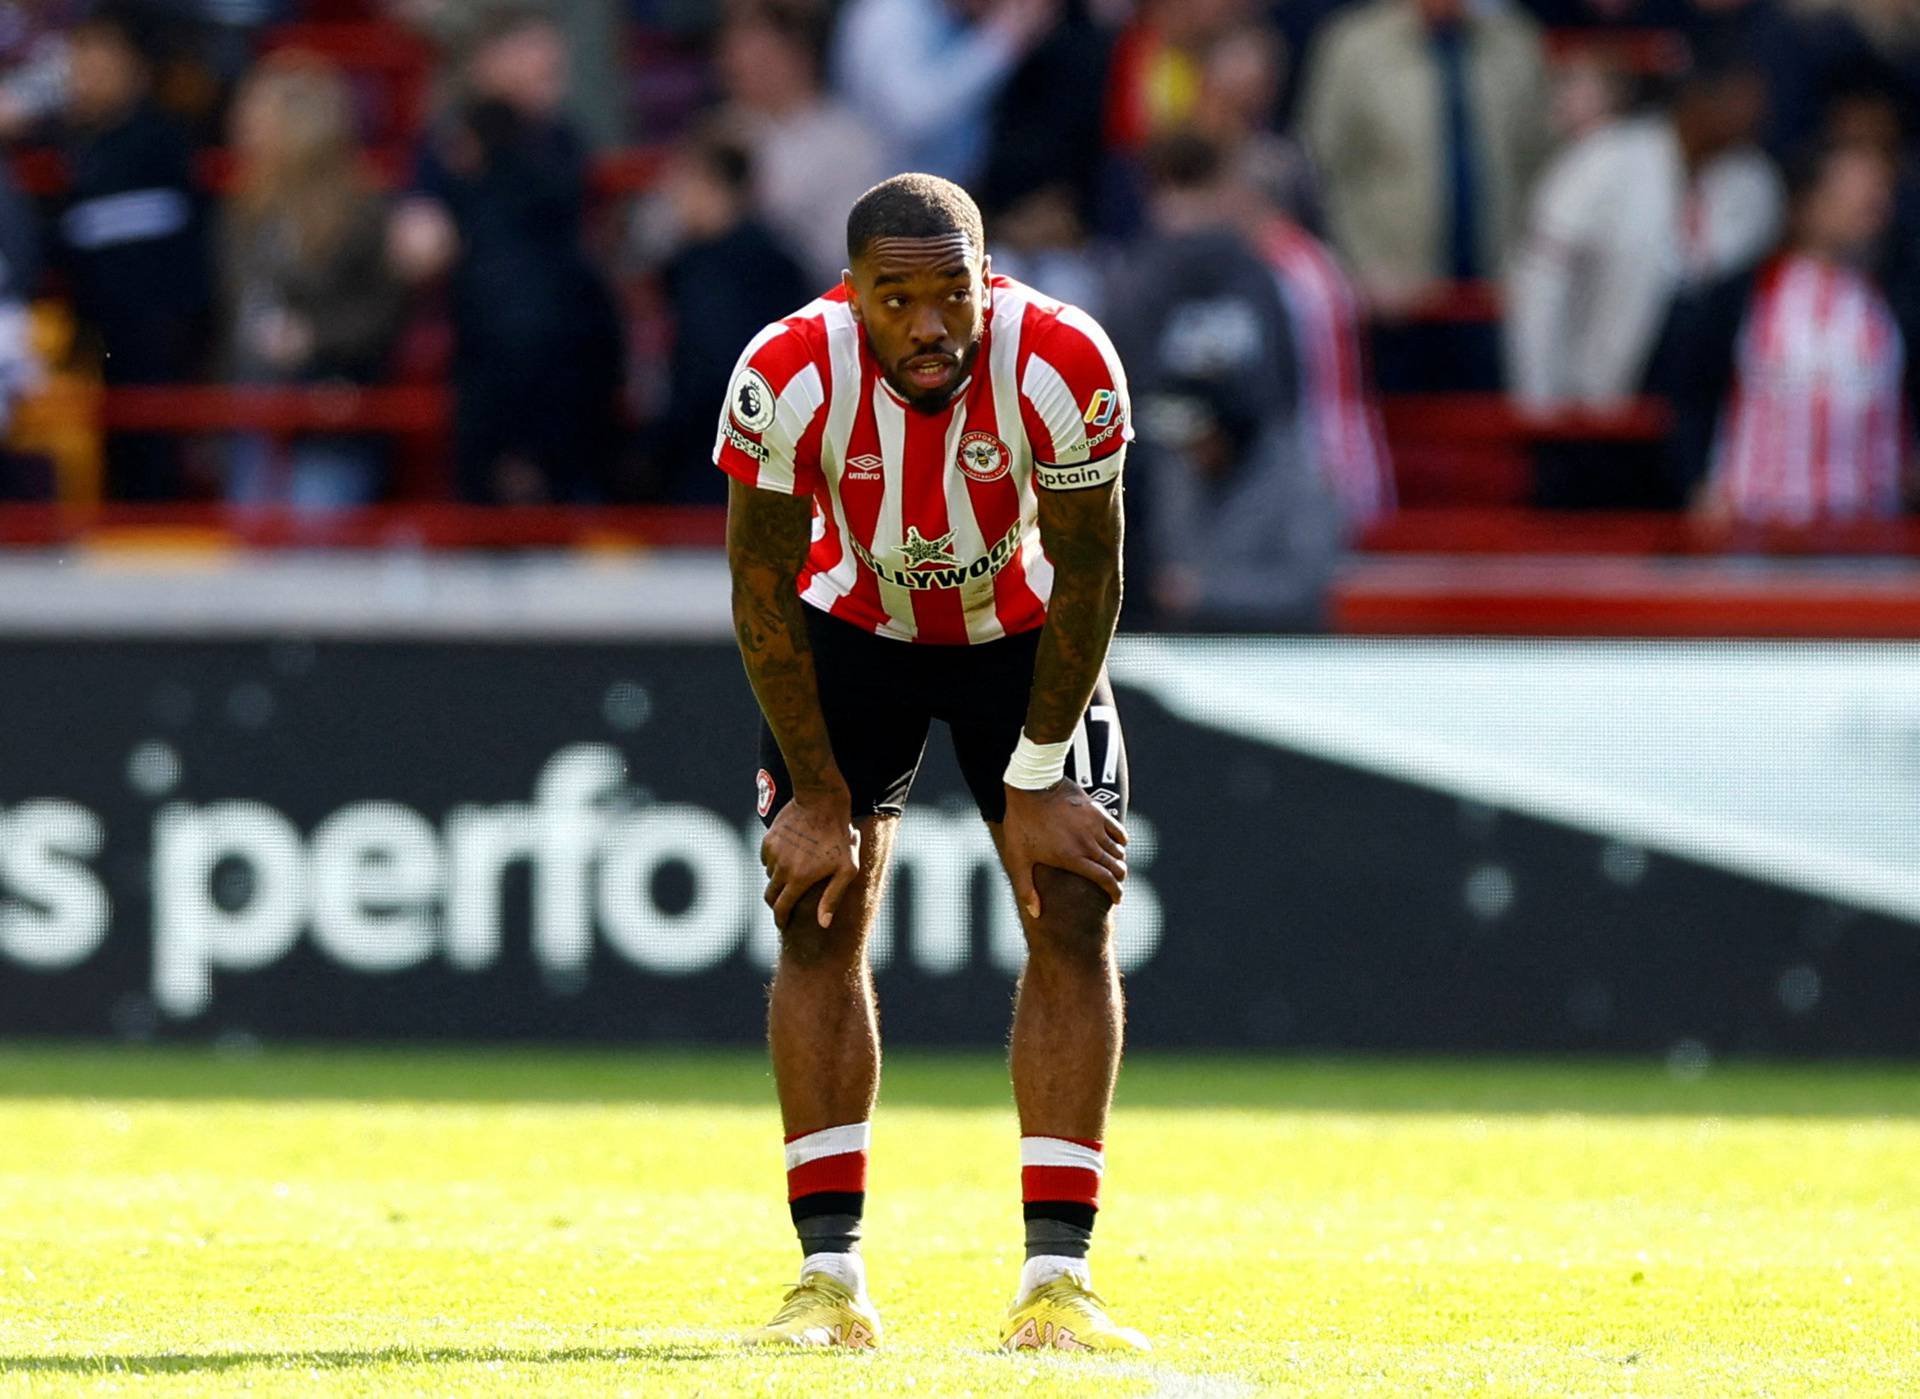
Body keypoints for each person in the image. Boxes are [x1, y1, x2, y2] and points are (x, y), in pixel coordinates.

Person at [719, 173, 1145, 1352]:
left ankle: (1058, 1283)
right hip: (852, 633)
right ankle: (827, 1280)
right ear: (849, 295)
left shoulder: (1066, 362)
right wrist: (814, 793)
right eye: (895, 298)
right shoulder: (784, 373)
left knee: (1073, 903)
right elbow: (760, 588)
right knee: (818, 912)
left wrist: (1040, 769)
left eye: (951, 291)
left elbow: (1093, 573)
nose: (929, 325)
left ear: (987, 278)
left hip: (1026, 635)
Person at [390, 4, 622, 503]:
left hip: (572, 362)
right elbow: (417, 246)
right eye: (535, 52)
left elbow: (595, 241)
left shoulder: (563, 141)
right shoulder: (453, 141)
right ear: (491, 59)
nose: (551, 64)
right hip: (493, 358)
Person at [1113, 133, 1340, 630]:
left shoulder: (1135, 277)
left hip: (1168, 491)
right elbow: (1290, 397)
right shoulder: (1261, 273)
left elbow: (1115, 408)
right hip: (1225, 481)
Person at [1507, 55, 1784, 411]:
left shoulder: (1756, 183)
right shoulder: (1603, 161)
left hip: (1701, 398)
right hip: (1593, 390)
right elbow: (1541, 285)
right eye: (1738, 100)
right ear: (1698, 98)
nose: (1752, 115)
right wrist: (1539, 396)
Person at [1672, 142, 1912, 524]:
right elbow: (1691, 395)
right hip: (1755, 526)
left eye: (1878, 199)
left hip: (1869, 532)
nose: (1871, 212)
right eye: (1854, 198)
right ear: (1806, 203)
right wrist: (1695, 484)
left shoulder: (1894, 302)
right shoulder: (1742, 296)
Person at [221, 54, 407, 509]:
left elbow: (383, 314)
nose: (241, 128)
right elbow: (233, 305)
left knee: (315, 551)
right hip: (253, 405)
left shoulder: (360, 208)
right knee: (251, 549)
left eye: (258, 117)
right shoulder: (241, 208)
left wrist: (313, 339)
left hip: (330, 410)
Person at [52, 2, 211, 500]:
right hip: (91, 339)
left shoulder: (163, 142)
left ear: (135, 71)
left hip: (154, 339)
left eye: (101, 66)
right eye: (80, 66)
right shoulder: (68, 147)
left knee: (149, 471)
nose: (86, 79)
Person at [1300, 0, 1550, 308]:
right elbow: (1323, 167)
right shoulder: (1354, 45)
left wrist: (1529, 264)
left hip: (1498, 291)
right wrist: (1358, 264)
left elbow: (1542, 161)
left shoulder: (1514, 40)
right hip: (1389, 294)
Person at [647, 124, 810, 502]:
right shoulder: (774, 259)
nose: (671, 196)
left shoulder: (725, 268)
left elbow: (712, 366)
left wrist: (662, 441)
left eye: (680, 182)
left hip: (720, 460)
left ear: (711, 185)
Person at [714, 0, 887, 289]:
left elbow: (849, 253)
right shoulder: (722, 131)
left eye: (763, 61)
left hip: (817, 293)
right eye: (738, 63)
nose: (746, 73)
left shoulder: (848, 138)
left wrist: (737, 210)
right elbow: (655, 230)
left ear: (800, 58)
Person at [831, 0, 1058, 185]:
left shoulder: (957, 17)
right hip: (882, 196)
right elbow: (911, 118)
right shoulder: (890, 14)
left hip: (951, 198)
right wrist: (1003, 39)